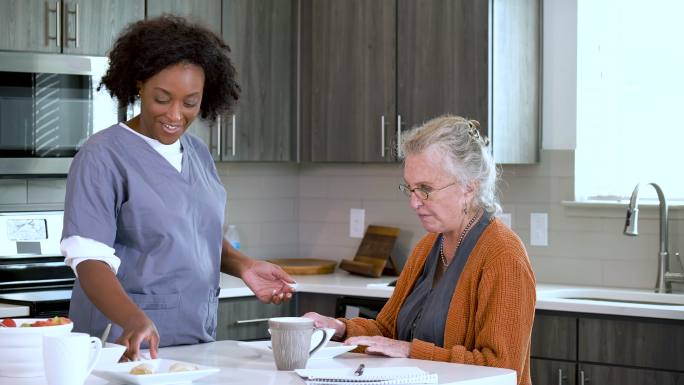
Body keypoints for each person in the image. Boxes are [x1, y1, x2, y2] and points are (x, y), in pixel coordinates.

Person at [61, 15, 295, 361]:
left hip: (195, 337)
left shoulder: (197, 152)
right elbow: (89, 260)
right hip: (123, 344)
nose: (175, 115)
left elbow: (196, 231)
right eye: (162, 98)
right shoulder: (102, 156)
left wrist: (244, 265)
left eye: (189, 103)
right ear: (138, 84)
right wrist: (132, 318)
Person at [304, 115, 536, 385]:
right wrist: (338, 328)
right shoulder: (428, 246)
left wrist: (411, 351)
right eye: (410, 189)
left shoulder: (503, 256)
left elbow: (502, 366)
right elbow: (387, 330)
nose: (414, 203)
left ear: (468, 187)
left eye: (425, 189)